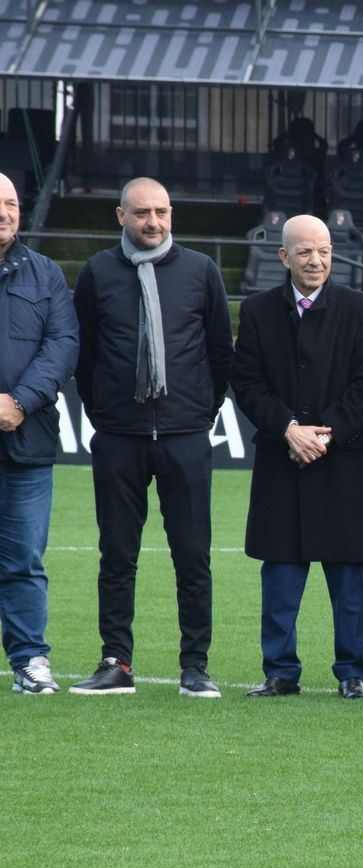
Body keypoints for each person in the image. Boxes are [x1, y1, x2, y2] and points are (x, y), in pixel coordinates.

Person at [69, 177, 233, 697]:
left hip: (186, 436)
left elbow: (219, 351)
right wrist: (106, 413)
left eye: (161, 211)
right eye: (142, 213)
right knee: (117, 555)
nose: (153, 221)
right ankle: (116, 661)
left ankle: (195, 667)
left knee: (193, 556)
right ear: (121, 216)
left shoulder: (200, 271)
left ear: (171, 214)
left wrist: (198, 413)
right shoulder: (97, 272)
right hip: (120, 437)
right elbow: (85, 354)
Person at [230, 215, 363, 699]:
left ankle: (352, 673)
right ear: (284, 256)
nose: (315, 260)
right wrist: (288, 429)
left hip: (345, 462)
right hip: (281, 462)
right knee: (280, 572)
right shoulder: (258, 311)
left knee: (350, 576)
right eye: (304, 252)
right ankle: (280, 672)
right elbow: (247, 383)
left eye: (323, 251)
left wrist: (324, 436)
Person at [0, 172, 77, 695]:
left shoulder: (46, 273)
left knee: (24, 560)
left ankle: (29, 658)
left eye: (11, 203)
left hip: (26, 442)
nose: (4, 213)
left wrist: (20, 401)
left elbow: (63, 344)